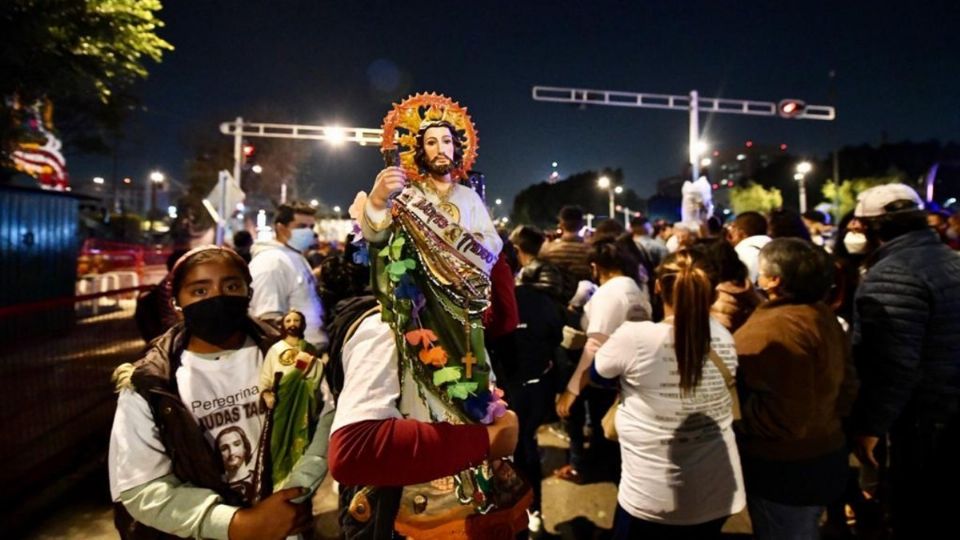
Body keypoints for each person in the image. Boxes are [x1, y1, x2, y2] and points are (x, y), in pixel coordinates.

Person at [329, 93, 527, 538]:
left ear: (459, 148)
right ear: (421, 151)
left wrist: (460, 260)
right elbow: (377, 238)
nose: (441, 149)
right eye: (432, 142)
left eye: (447, 142)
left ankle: (478, 463)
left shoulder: (469, 198)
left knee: (473, 378)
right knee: (425, 381)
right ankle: (434, 465)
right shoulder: (408, 194)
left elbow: (491, 247)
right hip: (422, 307)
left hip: (465, 309)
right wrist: (380, 200)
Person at [108, 246, 331, 540]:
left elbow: (324, 419)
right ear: (177, 302)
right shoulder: (151, 383)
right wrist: (237, 524)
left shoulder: (287, 358)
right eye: (200, 291)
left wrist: (293, 494)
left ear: (248, 292)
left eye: (232, 286)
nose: (217, 297)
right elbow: (141, 489)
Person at [592, 249, 746, 539]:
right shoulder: (725, 336)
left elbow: (598, 375)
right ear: (710, 295)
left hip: (651, 498)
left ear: (659, 286)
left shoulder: (634, 337)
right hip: (719, 493)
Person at [847, 184, 960, 539]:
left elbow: (893, 366)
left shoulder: (890, 274)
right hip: (947, 408)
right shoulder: (951, 260)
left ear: (872, 227)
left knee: (917, 512)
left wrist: (869, 427)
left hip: (923, 422)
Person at [734, 238, 858, 539]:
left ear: (774, 280)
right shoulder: (819, 314)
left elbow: (785, 418)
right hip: (826, 451)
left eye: (761, 271)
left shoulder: (774, 330)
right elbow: (848, 385)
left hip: (785, 469)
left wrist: (734, 418)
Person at [554, 238, 651, 483]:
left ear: (596, 267)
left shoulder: (609, 294)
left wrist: (572, 389)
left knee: (598, 424)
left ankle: (589, 469)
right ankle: (599, 467)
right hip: (628, 372)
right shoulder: (635, 289)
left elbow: (595, 345)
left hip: (605, 375)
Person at [249, 202, 328, 351]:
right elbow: (267, 319)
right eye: (301, 227)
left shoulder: (293, 255)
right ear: (281, 228)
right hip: (295, 360)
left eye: (311, 227)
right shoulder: (271, 262)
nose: (308, 232)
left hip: (309, 354)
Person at [539, 205, 593, 283]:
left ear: (561, 224)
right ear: (581, 225)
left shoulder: (548, 250)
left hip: (556, 293)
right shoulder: (591, 251)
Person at [727, 211, 771, 284]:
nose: (730, 231)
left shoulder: (742, 253)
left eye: (733, 227)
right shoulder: (774, 249)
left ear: (742, 233)